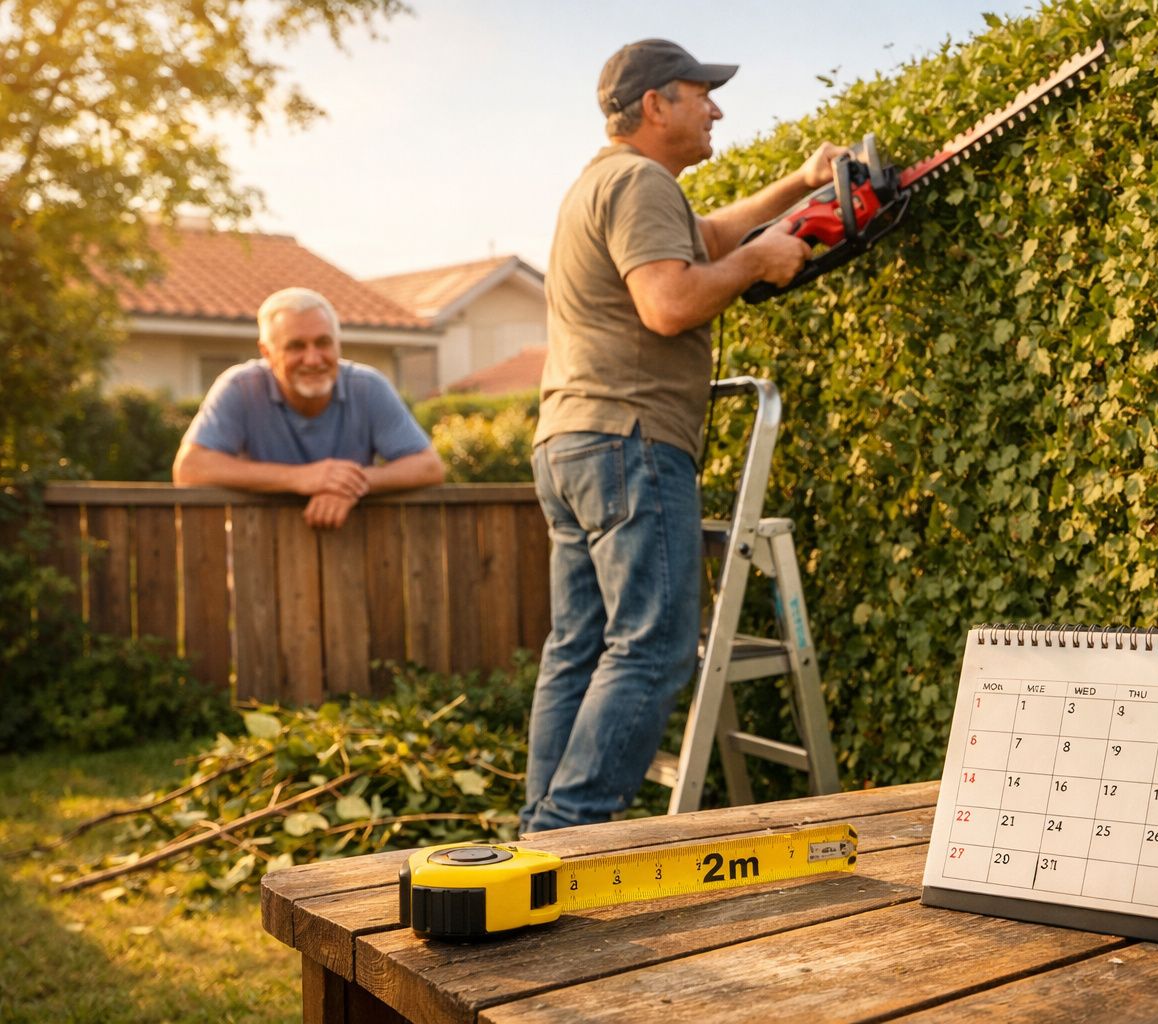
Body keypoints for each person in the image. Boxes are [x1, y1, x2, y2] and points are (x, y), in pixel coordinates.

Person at [520, 38, 848, 832]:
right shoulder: (640, 181)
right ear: (654, 104)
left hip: (569, 441)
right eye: (701, 92)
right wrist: (759, 263)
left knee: (578, 647)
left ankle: (538, 830)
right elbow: (669, 303)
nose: (717, 108)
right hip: (630, 440)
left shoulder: (603, 183)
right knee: (653, 649)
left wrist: (800, 185)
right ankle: (571, 835)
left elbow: (705, 237)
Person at [172, 287, 444, 528]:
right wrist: (300, 478)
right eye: (296, 346)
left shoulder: (368, 386)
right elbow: (190, 468)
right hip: (257, 549)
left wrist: (349, 484)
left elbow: (429, 466)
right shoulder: (240, 387)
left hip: (352, 547)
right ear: (267, 352)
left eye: (323, 343)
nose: (313, 359)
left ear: (338, 345)